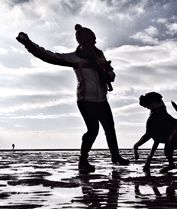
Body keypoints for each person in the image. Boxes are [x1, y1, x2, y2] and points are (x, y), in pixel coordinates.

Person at [16, 24, 129, 173]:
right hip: (85, 99)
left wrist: (110, 75)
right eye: (87, 42)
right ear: (81, 43)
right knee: (93, 130)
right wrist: (28, 44)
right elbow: (48, 56)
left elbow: (110, 72)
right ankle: (83, 161)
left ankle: (116, 157)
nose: (91, 45)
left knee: (110, 129)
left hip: (102, 99)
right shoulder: (74, 58)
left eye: (92, 42)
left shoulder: (100, 54)